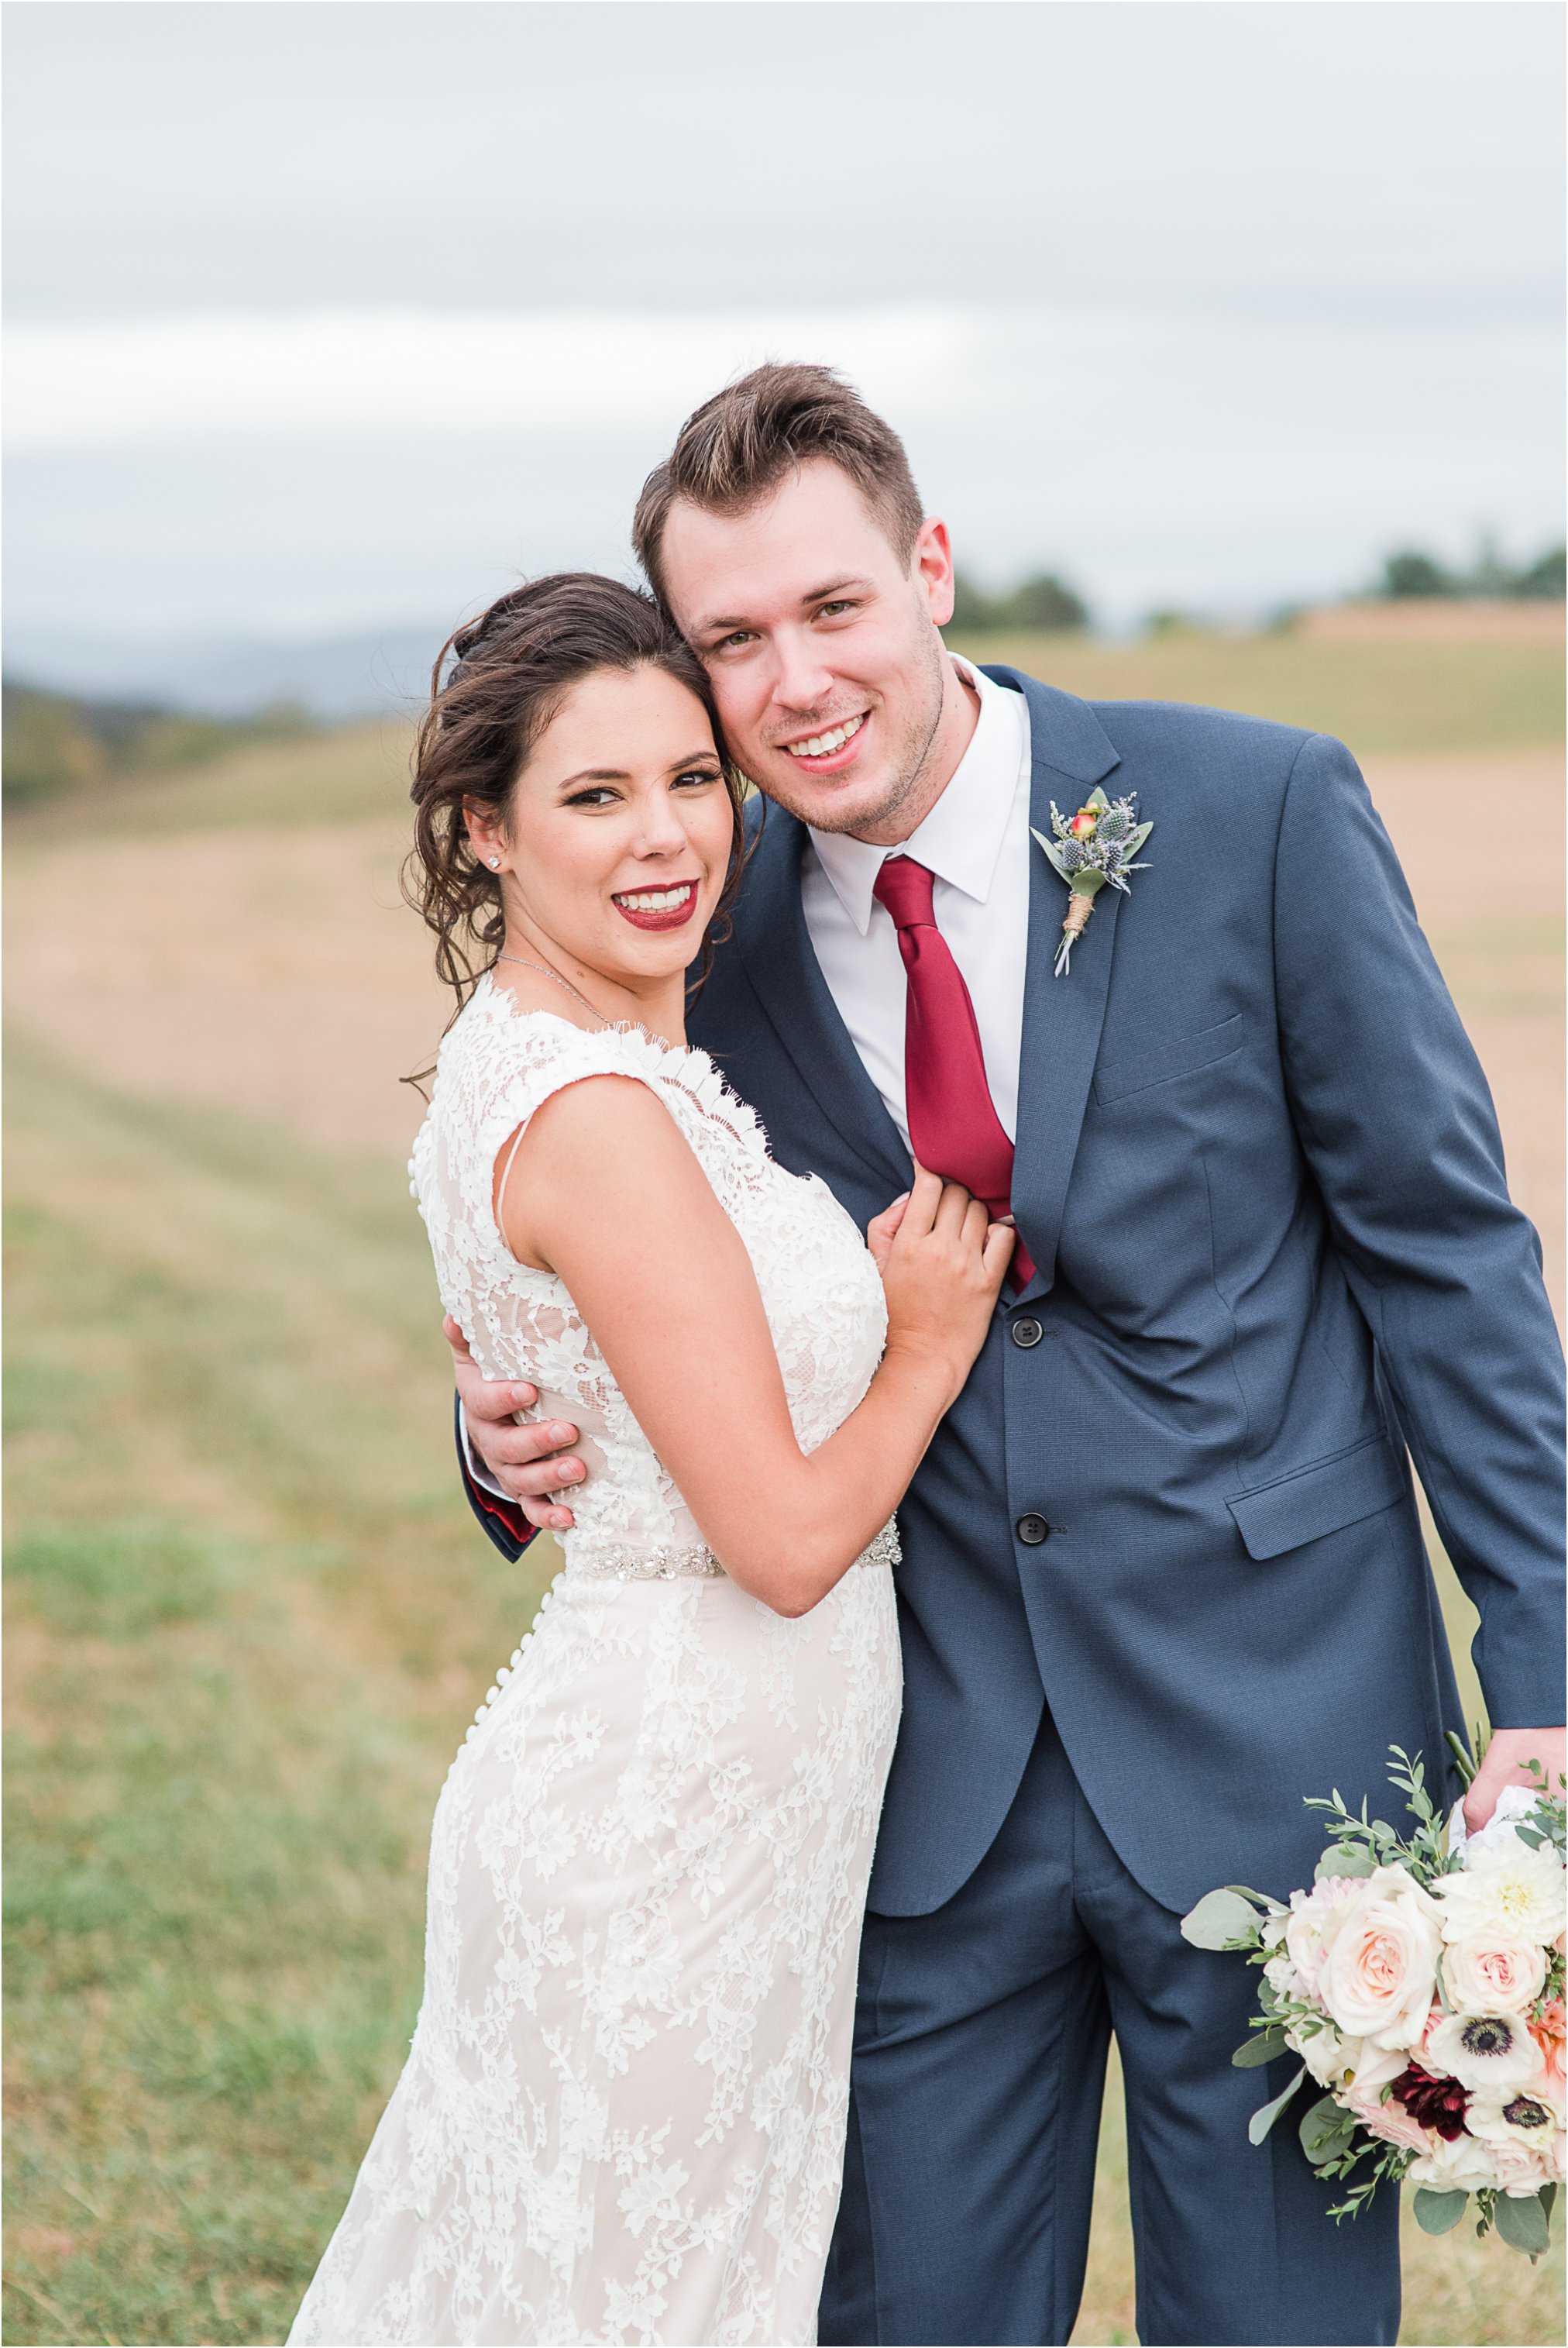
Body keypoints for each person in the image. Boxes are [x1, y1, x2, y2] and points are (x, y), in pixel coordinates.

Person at [458, 367, 1566, 2347]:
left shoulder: (1253, 811)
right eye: (730, 642)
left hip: (1277, 1755)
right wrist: (495, 1430)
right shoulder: (705, 940)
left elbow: (1447, 1256)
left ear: (930, 569)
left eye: (829, 610)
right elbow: (612, 1251)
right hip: (903, 1782)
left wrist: (1548, 1668)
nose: (792, 682)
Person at [288, 573, 1013, 2347]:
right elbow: (776, 1540)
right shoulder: (600, 1112)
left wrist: (496, 1417)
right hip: (662, 1817)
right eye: (594, 797)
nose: (667, 835)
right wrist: (920, 1355)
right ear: (483, 831)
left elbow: (596, 1367)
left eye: (693, 779)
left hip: (713, 1802)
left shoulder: (574, 1057)